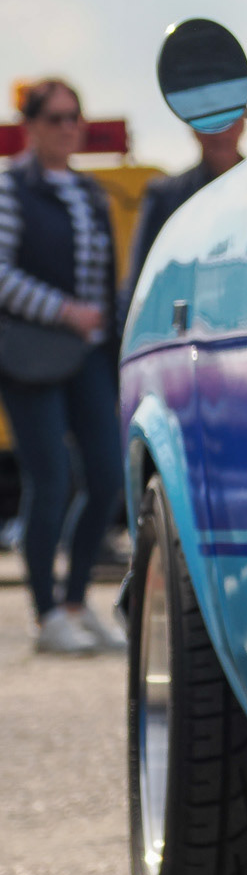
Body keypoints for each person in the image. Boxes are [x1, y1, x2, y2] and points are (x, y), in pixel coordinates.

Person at [0, 79, 124, 655]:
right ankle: (46, 613)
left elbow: (104, 277)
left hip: (89, 355)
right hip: (31, 357)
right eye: (55, 118)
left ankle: (77, 601)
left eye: (75, 116)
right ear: (31, 125)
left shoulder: (90, 192)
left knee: (106, 476)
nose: (67, 126)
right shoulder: (10, 188)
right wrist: (63, 310)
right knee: (51, 479)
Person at [121, 117, 244, 311]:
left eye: (228, 120)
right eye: (211, 121)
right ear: (194, 128)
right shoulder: (165, 196)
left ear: (242, 123)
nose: (221, 132)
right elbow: (142, 282)